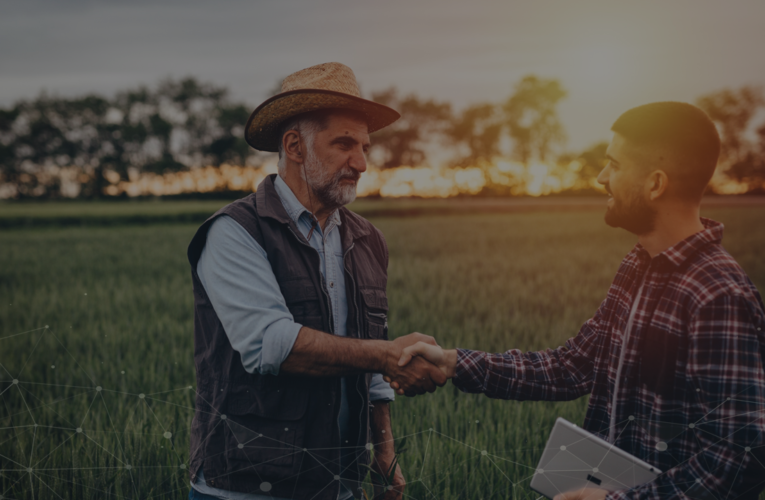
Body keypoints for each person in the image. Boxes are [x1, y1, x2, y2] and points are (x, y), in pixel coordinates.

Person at [396, 102, 765, 500]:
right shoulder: (638, 266)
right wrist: (454, 362)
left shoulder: (719, 294)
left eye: (615, 165)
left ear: (655, 184)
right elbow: (574, 365)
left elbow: (743, 456)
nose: (602, 177)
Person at [186, 62, 446, 500]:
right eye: (344, 144)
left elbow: (370, 353)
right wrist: (387, 355)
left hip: (338, 483)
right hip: (247, 486)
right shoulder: (235, 231)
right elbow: (271, 344)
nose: (361, 162)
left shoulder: (367, 239)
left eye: (365, 146)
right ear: (295, 147)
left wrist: (383, 449)